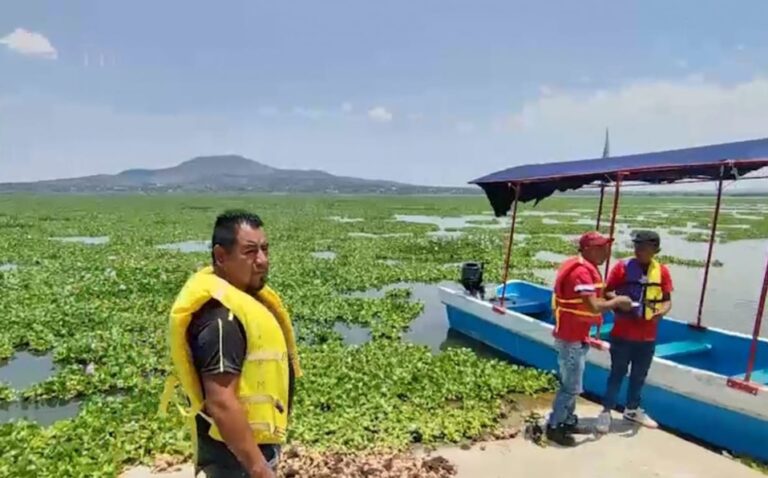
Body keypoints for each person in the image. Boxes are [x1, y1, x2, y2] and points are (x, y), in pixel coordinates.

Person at [160, 210, 302, 478]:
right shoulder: (221, 321)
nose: (261, 260)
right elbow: (222, 402)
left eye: (264, 249)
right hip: (235, 462)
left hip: (248, 453)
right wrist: (259, 469)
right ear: (221, 256)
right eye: (249, 251)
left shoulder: (241, 302)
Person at [546, 231, 633, 446]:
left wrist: (611, 297)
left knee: (572, 384)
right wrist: (617, 301)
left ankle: (568, 421)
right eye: (601, 247)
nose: (606, 251)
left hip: (577, 335)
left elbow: (594, 297)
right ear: (587, 249)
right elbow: (593, 306)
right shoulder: (581, 273)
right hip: (570, 338)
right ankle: (554, 427)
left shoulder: (585, 268)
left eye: (606, 246)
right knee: (571, 387)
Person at [596, 230, 672, 433]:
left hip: (648, 336)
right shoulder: (622, 267)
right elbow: (607, 290)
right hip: (623, 333)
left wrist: (661, 312)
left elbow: (666, 299)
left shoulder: (662, 271)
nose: (639, 250)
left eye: (644, 247)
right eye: (637, 246)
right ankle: (606, 412)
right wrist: (620, 301)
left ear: (655, 250)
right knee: (617, 373)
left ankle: (632, 409)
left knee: (639, 375)